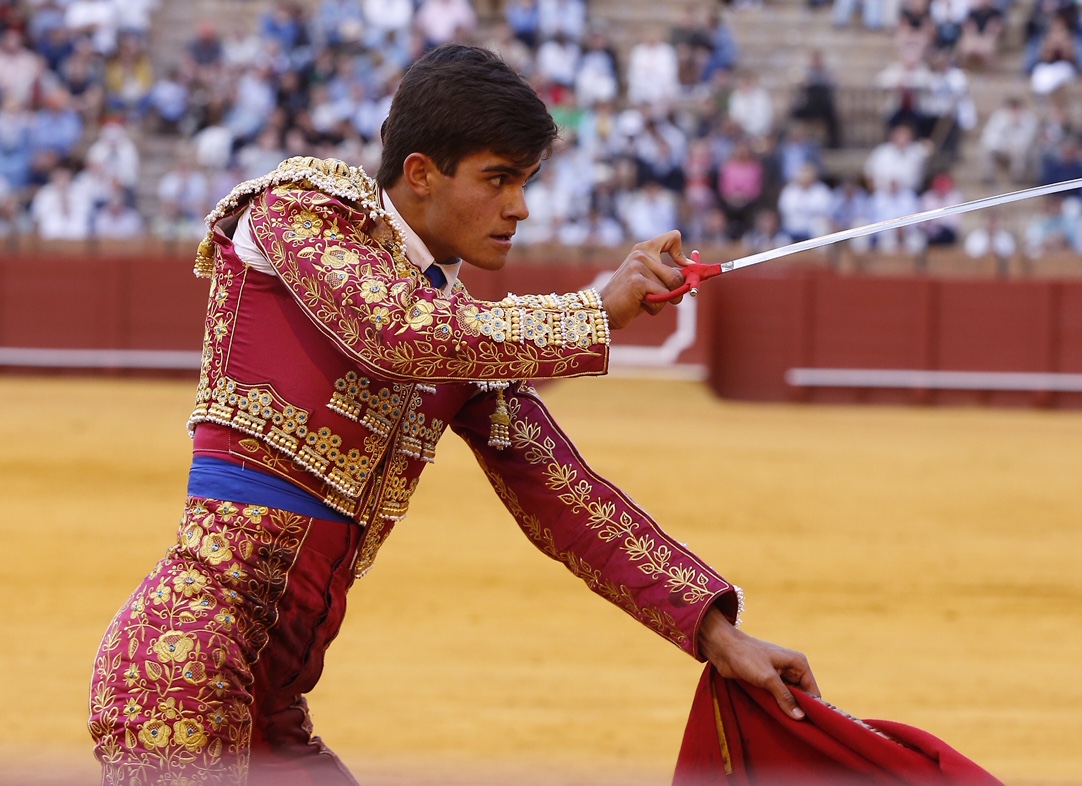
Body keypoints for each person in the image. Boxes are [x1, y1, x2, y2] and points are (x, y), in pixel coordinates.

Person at [86, 45, 817, 784]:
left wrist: (718, 632)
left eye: (526, 181)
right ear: (421, 174)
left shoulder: (458, 334)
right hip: (182, 670)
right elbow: (392, 333)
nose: (520, 207)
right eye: (498, 179)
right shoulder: (299, 211)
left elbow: (567, 498)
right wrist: (591, 311)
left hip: (273, 707)